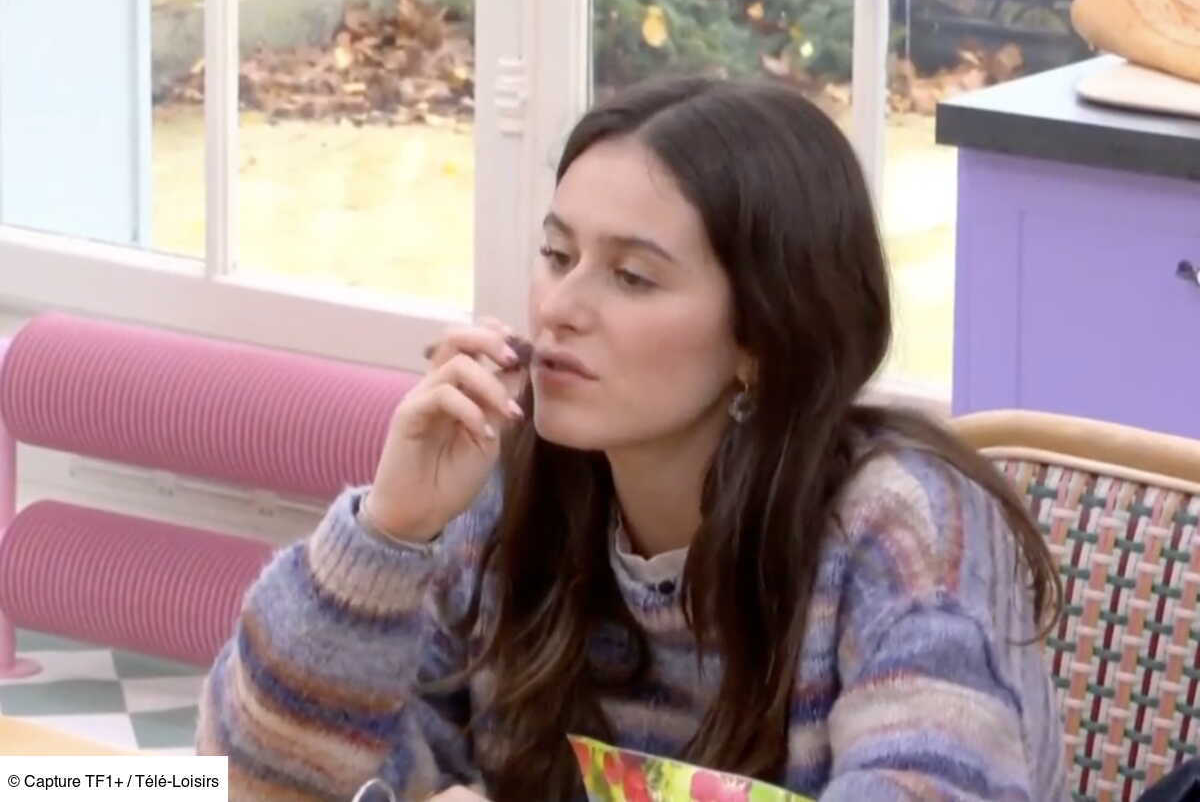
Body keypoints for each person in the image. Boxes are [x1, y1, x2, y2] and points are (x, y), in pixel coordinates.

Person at [196, 76, 1066, 801]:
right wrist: (387, 533)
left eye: (632, 277)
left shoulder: (902, 526)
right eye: (556, 255)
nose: (560, 307)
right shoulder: (499, 491)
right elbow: (247, 784)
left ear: (762, 338)